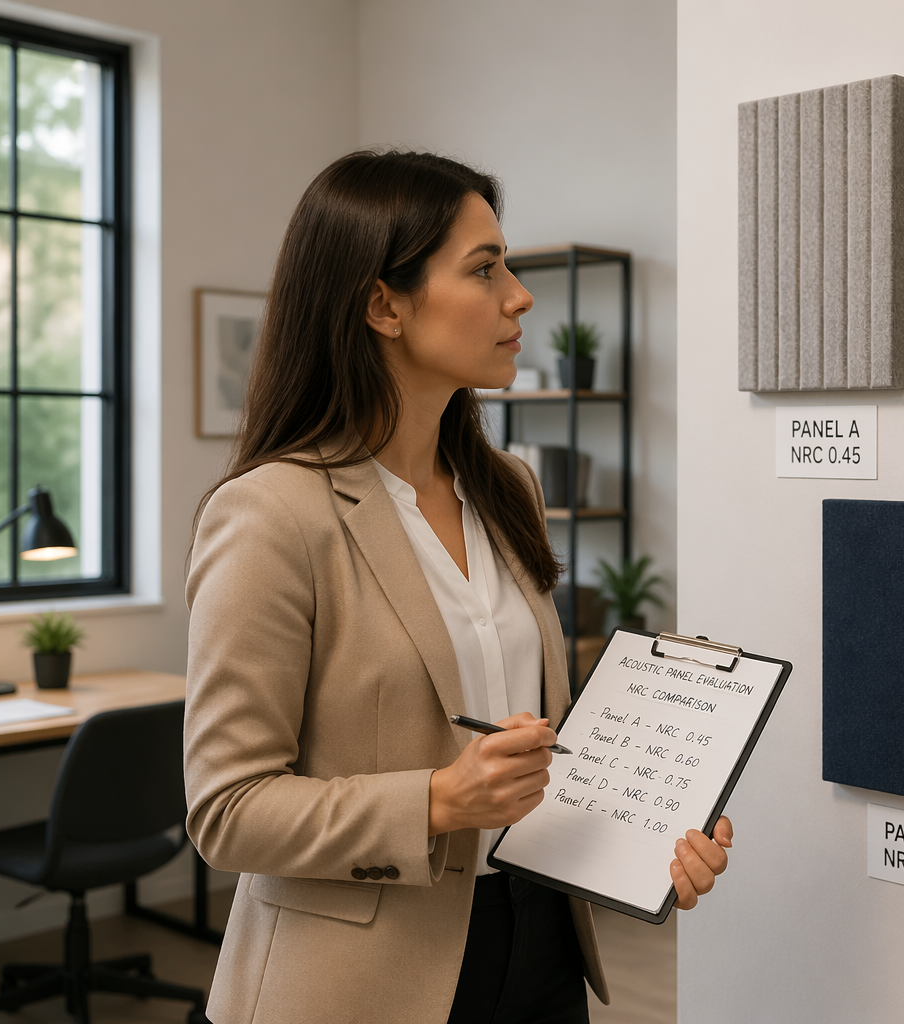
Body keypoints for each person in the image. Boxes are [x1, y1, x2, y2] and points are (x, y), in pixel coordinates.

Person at [183, 150, 732, 1024]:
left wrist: (652, 828)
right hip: (361, 980)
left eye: (506, 265)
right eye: (484, 269)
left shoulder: (509, 487)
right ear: (381, 305)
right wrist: (437, 800)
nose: (518, 296)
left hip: (542, 936)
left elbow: (529, 752)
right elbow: (228, 810)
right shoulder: (272, 514)